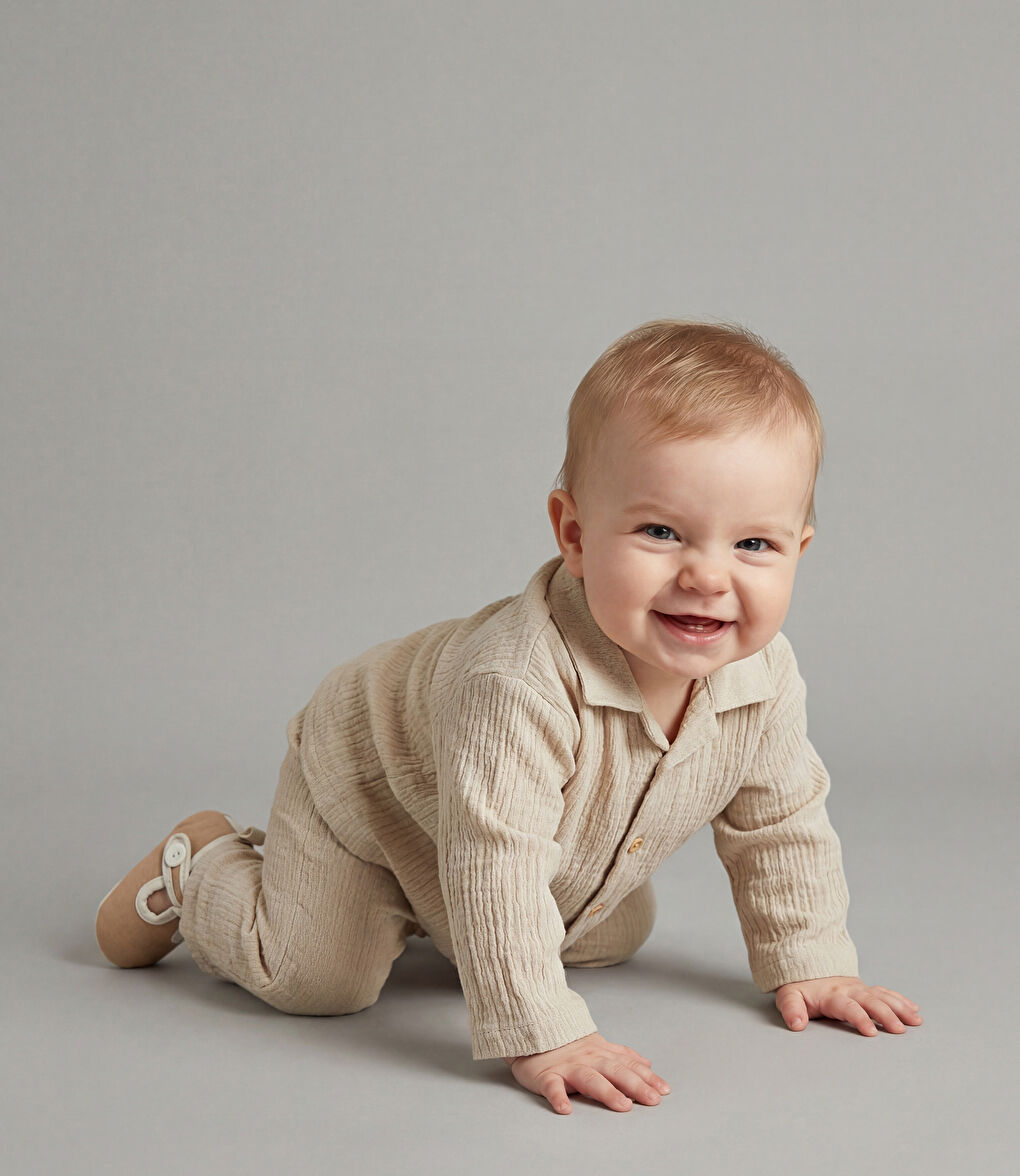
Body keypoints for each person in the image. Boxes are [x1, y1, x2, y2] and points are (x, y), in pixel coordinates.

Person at [95, 317, 923, 1115]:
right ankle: (203, 869)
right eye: (662, 531)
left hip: (494, 832)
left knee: (602, 932)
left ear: (798, 551)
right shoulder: (516, 681)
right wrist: (545, 1035)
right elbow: (494, 862)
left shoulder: (764, 676)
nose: (708, 577)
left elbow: (779, 823)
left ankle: (435, 916)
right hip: (369, 794)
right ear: (575, 532)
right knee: (320, 980)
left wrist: (810, 961)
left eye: (754, 546)